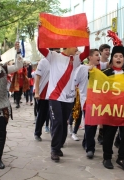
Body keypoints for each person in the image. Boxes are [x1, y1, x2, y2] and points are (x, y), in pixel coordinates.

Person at [38, 25, 90, 161]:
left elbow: (86, 53)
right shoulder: (53, 56)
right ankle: (54, 149)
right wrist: (40, 31)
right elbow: (40, 48)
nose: (77, 49)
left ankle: (59, 146)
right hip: (54, 97)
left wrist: (87, 38)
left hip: (68, 98)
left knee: (64, 123)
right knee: (57, 123)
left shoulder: (76, 60)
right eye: (75, 46)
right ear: (67, 45)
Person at [0, 43, 23, 169]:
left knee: (1, 132)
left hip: (2, 104)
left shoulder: (4, 69)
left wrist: (18, 51)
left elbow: (19, 65)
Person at [102, 45, 124, 171]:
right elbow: (97, 87)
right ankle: (107, 158)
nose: (118, 58)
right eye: (116, 56)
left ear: (123, 59)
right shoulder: (105, 74)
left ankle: (122, 158)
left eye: (121, 56)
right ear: (112, 59)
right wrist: (92, 73)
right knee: (109, 134)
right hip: (110, 109)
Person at [72, 49, 101, 158]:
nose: (99, 57)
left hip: (99, 102)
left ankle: (86, 141)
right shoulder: (82, 68)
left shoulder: (102, 68)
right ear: (90, 57)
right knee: (89, 125)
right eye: (96, 55)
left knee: (94, 126)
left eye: (99, 55)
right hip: (87, 100)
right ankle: (90, 148)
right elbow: (75, 82)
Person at [97, 44, 111, 145]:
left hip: (109, 91)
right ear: (101, 51)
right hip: (98, 91)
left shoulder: (108, 63)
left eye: (109, 50)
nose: (108, 52)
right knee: (100, 112)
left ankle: (104, 132)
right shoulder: (98, 63)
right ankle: (101, 132)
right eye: (106, 50)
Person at [34, 58, 50, 141]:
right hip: (43, 92)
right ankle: (37, 133)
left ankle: (56, 136)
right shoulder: (43, 61)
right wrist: (37, 92)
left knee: (54, 116)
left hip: (55, 92)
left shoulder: (59, 60)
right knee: (42, 114)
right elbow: (37, 77)